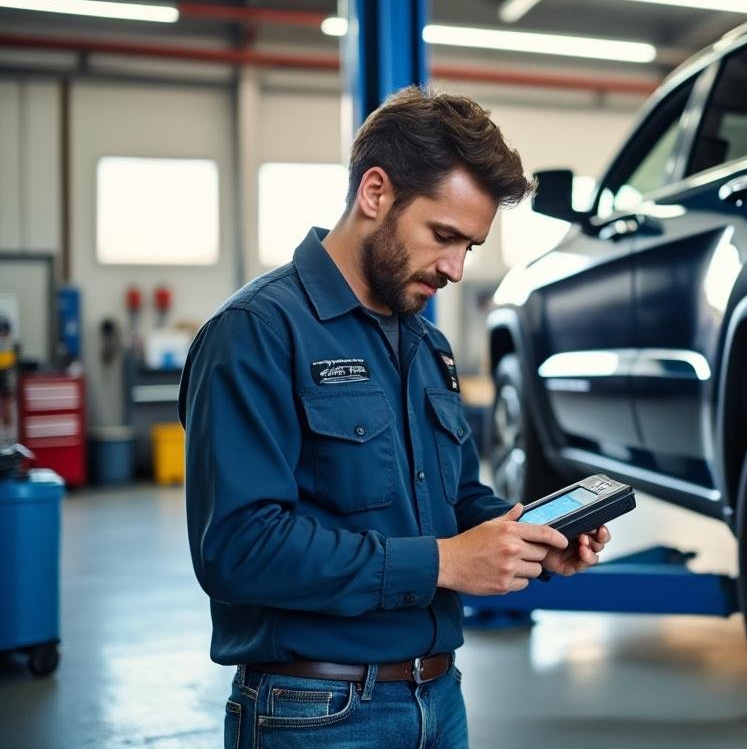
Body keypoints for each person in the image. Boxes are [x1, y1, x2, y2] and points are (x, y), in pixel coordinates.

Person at [179, 85, 611, 748]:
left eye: (470, 247)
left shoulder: (427, 345)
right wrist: (442, 563)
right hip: (315, 713)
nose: (456, 269)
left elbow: (454, 497)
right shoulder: (256, 332)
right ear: (375, 193)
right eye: (444, 236)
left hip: (439, 698)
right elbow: (238, 549)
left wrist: (525, 533)